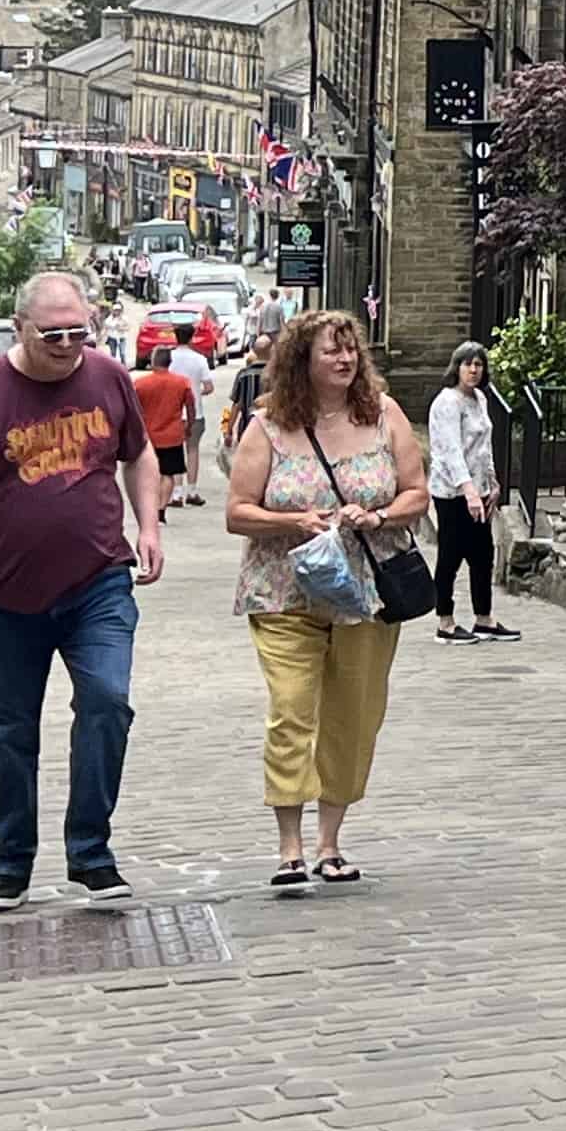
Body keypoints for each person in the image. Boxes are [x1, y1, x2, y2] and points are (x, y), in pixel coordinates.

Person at [0, 272, 162, 913]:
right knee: (9, 731)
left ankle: (91, 853)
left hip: (98, 582)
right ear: (19, 328)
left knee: (107, 702)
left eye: (80, 330)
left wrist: (150, 524)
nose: (68, 344)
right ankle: (10, 862)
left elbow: (139, 454)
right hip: (3, 594)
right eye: (53, 333)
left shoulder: (107, 377)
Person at [224, 311, 428, 894]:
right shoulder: (268, 428)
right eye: (330, 352)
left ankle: (330, 842)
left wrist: (380, 514)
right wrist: (294, 521)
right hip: (286, 590)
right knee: (292, 709)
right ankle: (289, 846)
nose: (343, 361)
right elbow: (237, 511)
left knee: (353, 715)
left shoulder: (383, 415)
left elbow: (417, 492)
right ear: (300, 362)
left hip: (367, 595)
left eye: (350, 351)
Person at [426, 340, 511, 645]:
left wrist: (492, 481)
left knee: (482, 554)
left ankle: (484, 619)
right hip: (452, 491)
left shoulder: (480, 399)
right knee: (450, 553)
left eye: (479, 365)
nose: (474, 370)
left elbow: (483, 446)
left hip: (479, 486)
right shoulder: (447, 402)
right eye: (468, 364)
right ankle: (445, 622)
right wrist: (468, 491)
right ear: (457, 367)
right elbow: (450, 450)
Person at [130, 351, 196, 514]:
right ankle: (161, 509)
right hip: (171, 436)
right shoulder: (182, 383)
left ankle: (149, 505)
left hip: (147, 437)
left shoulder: (140, 384)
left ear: (153, 362)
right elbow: (190, 407)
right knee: (168, 474)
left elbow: (131, 409)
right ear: (170, 362)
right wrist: (189, 426)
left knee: (148, 473)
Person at [165, 330, 214, 504]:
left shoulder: (169, 358)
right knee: (193, 450)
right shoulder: (199, 359)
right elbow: (208, 386)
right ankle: (192, 491)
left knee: (176, 451)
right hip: (196, 412)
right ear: (191, 337)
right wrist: (196, 392)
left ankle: (176, 493)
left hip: (174, 412)